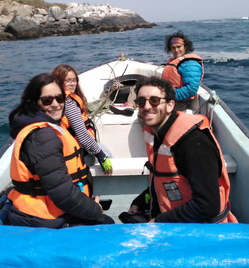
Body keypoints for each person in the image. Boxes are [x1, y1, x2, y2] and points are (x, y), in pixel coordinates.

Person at [123, 76, 237, 224]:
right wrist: (142, 201)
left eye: (154, 100)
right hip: (174, 225)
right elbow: (167, 180)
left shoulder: (194, 143)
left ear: (170, 105)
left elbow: (208, 206)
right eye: (141, 101)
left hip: (201, 233)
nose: (146, 106)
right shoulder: (159, 136)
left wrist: (159, 221)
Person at [7, 73, 114, 228]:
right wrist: (95, 211)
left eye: (60, 98)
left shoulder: (49, 127)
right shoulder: (43, 137)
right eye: (47, 100)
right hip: (45, 218)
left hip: (53, 210)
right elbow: (63, 194)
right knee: (108, 225)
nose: (56, 104)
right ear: (34, 103)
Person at [52, 64, 113, 175]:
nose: (72, 84)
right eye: (68, 81)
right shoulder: (69, 103)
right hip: (75, 151)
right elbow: (82, 135)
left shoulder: (56, 100)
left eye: (74, 80)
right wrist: (101, 156)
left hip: (66, 149)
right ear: (59, 82)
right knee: (110, 157)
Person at [161, 31, 204, 111]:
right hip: (168, 97)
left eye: (179, 47)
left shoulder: (190, 64)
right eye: (173, 48)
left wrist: (165, 95)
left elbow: (191, 89)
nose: (176, 50)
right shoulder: (177, 61)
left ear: (185, 47)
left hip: (178, 102)